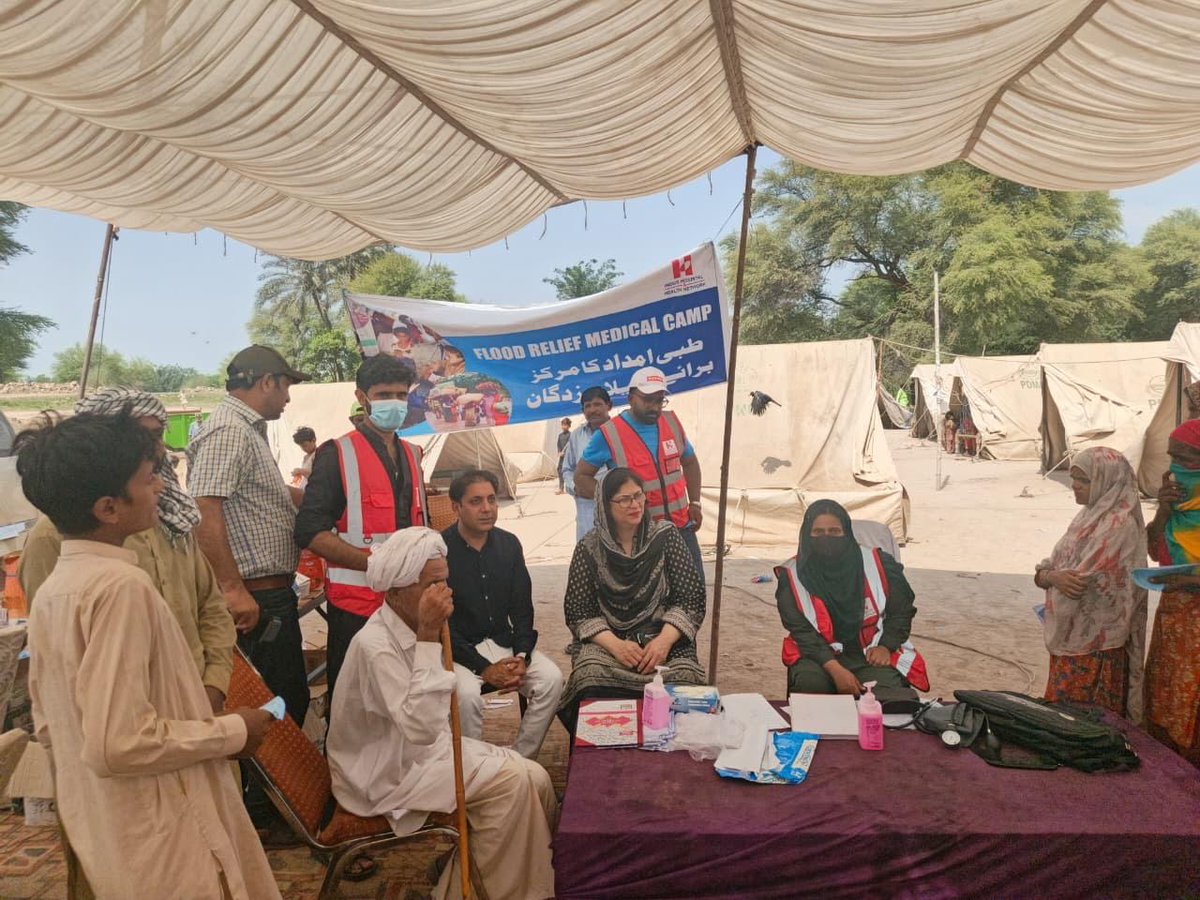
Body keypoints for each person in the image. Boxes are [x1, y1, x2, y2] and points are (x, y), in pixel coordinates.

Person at [16, 411, 278, 900]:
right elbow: (120, 743)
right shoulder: (120, 587)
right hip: (165, 829)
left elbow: (53, 724)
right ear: (108, 508)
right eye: (147, 478)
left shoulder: (59, 589)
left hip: (111, 823)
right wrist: (234, 731)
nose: (160, 486)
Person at [326, 528, 556, 900]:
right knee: (512, 784)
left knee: (537, 778)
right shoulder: (375, 646)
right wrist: (429, 634)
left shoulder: (414, 624)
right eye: (432, 585)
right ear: (396, 592)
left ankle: (506, 881)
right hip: (384, 771)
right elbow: (422, 729)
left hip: (421, 753)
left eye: (445, 582)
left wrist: (429, 632)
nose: (444, 594)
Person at [19, 389, 235, 715]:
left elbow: (211, 605)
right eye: (144, 438)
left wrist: (214, 686)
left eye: (158, 436)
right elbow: (63, 665)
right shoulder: (53, 539)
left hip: (197, 706)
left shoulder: (169, 515)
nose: (158, 450)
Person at [188, 345, 310, 726]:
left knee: (288, 697)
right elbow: (204, 506)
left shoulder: (248, 430)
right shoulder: (230, 430)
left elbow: (263, 492)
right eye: (285, 386)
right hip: (255, 594)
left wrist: (321, 501)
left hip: (269, 592)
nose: (288, 397)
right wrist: (231, 588)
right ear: (267, 382)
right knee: (275, 707)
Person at [295, 354, 428, 699]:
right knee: (354, 705)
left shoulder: (413, 454)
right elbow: (310, 531)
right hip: (356, 608)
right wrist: (375, 563)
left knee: (406, 700)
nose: (394, 403)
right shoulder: (336, 454)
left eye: (401, 395)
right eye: (384, 395)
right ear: (362, 397)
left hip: (408, 604)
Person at [559, 468, 706, 735]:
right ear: (605, 504)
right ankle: (602, 751)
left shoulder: (666, 537)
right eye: (624, 499)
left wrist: (663, 642)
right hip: (609, 643)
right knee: (587, 679)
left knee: (687, 680)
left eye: (638, 496)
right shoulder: (589, 548)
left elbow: (690, 598)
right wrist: (616, 646)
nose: (635, 504)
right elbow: (579, 611)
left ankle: (670, 751)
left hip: (663, 640)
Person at [443, 470, 564, 759]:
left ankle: (520, 761)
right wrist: (484, 668)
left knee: (552, 679)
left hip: (503, 643)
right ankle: (472, 770)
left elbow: (522, 608)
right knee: (466, 696)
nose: (487, 508)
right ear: (456, 507)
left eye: (492, 499)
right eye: (476, 501)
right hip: (458, 651)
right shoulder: (439, 551)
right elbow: (442, 625)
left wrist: (522, 656)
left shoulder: (509, 545)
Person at [1034, 448, 1147, 719]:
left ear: (1107, 482)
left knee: (1084, 719)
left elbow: (1077, 583)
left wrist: (1051, 577)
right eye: (1074, 478)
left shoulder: (1118, 526)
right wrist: (1050, 577)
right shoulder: (1087, 518)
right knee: (1065, 715)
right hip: (1073, 639)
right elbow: (1051, 570)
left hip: (1096, 646)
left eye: (1083, 480)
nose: (1074, 485)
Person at [776, 499, 927, 699]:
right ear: (806, 535)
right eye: (818, 532)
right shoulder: (792, 575)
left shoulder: (880, 563)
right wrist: (835, 669)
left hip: (870, 653)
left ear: (846, 533)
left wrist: (885, 646)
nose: (826, 537)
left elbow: (902, 610)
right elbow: (801, 631)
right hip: (816, 656)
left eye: (834, 531)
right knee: (811, 690)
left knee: (886, 698)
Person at [573, 367, 705, 582]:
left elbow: (689, 462)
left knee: (693, 591)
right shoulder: (609, 433)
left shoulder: (672, 423)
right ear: (631, 399)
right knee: (648, 596)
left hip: (682, 528)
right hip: (639, 537)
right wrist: (613, 501)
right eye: (648, 400)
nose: (655, 407)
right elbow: (581, 478)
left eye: (660, 400)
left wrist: (696, 503)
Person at [1144, 419, 1200, 766]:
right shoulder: (1178, 505)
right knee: (1167, 692)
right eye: (1171, 457)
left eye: (1184, 458)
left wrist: (1190, 582)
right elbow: (1154, 551)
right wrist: (1163, 511)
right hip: (1174, 617)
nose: (1175, 466)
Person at [562, 386, 613, 541]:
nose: (592, 410)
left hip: (615, 509)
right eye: (587, 406)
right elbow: (567, 468)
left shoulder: (620, 431)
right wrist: (575, 488)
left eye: (597, 404)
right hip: (587, 514)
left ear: (609, 406)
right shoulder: (577, 435)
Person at [555, 417, 572, 494]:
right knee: (559, 470)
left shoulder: (570, 435)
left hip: (568, 457)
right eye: (562, 425)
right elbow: (558, 445)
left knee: (568, 472)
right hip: (562, 457)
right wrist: (559, 452)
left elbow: (571, 446)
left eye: (565, 425)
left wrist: (566, 453)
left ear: (569, 426)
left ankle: (570, 487)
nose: (564, 426)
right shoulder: (560, 435)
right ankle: (561, 488)